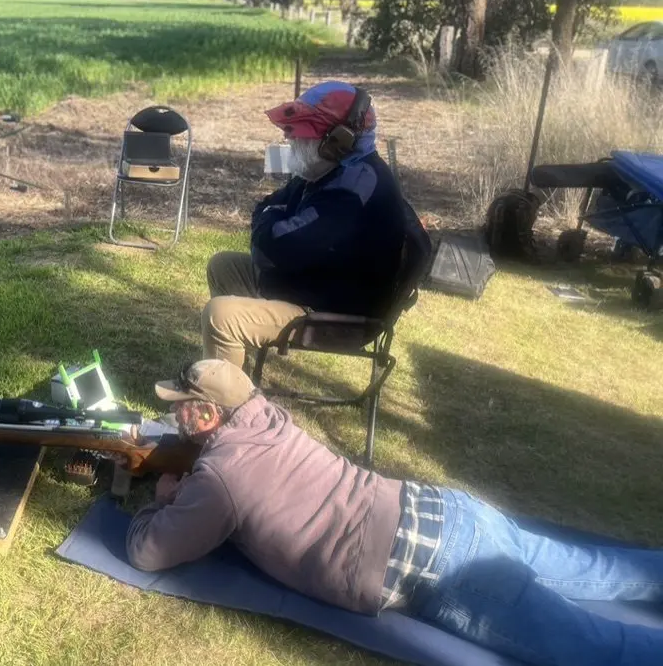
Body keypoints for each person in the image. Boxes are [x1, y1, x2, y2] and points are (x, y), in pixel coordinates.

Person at [125, 358, 663, 666]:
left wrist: (165, 497)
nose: (173, 411)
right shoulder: (268, 419)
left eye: (180, 405)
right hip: (447, 511)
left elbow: (149, 552)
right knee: (599, 570)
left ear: (206, 413)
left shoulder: (220, 479)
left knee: (599, 648)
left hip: (443, 568)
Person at [202, 81, 424, 370]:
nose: (291, 139)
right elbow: (269, 212)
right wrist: (270, 222)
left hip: (334, 317)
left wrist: (270, 222)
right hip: (314, 287)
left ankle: (223, 407)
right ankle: (231, 375)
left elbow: (272, 249)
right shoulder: (329, 169)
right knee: (224, 265)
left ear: (338, 140)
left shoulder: (352, 191)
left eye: (303, 134)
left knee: (221, 315)